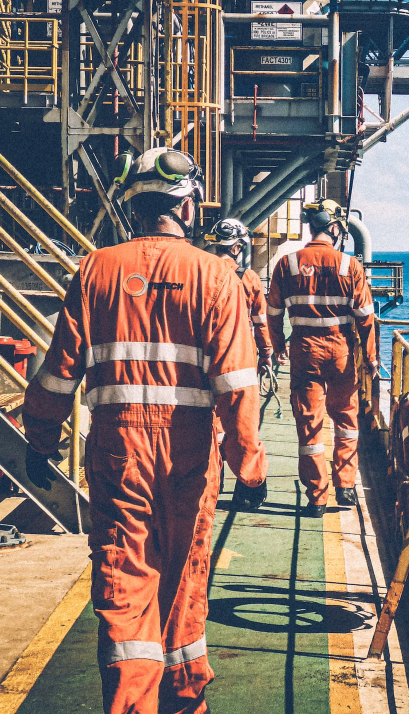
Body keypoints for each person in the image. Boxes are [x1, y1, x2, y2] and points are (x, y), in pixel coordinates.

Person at [21, 147, 268, 714]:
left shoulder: (95, 270)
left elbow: (59, 372)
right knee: (184, 580)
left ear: (132, 207)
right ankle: (184, 703)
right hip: (188, 455)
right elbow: (235, 382)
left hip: (116, 455)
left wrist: (40, 440)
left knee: (126, 580)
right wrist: (249, 465)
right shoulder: (216, 275)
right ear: (189, 205)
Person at [266, 200, 377, 517]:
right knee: (346, 422)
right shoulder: (349, 266)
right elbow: (366, 319)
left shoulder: (286, 265)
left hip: (304, 351)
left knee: (309, 427)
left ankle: (316, 498)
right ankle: (346, 487)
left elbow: (273, 312)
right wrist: (369, 358)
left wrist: (277, 346)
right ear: (334, 227)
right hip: (340, 350)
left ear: (310, 227)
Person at [204, 218, 273, 371]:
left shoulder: (203, 273)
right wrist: (265, 353)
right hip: (241, 349)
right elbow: (260, 320)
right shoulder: (249, 278)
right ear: (236, 248)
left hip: (207, 348)